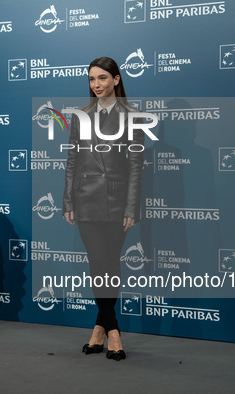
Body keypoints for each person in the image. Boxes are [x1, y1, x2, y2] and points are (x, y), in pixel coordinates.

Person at [62, 57, 144, 361]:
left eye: (102, 79)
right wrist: (68, 200)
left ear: (117, 79)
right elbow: (72, 161)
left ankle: (99, 326)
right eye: (92, 80)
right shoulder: (80, 116)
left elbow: (136, 167)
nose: (96, 85)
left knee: (110, 262)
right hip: (86, 200)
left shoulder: (132, 117)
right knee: (98, 262)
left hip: (116, 201)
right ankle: (113, 330)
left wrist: (131, 207)